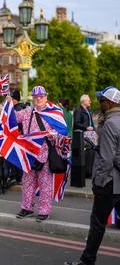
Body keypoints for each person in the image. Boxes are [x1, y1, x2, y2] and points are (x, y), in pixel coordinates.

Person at [65, 86, 120, 265]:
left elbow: (107, 159)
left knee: (97, 223)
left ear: (110, 103)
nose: (99, 103)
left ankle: (87, 261)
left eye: (101, 100)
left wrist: (98, 183)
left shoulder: (111, 123)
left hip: (110, 181)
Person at [10, 85, 68, 221]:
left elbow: (63, 132)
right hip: (28, 154)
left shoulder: (55, 112)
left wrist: (51, 135)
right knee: (27, 182)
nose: (38, 99)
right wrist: (7, 103)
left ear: (46, 97)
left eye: (41, 96)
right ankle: (26, 207)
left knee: (45, 183)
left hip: (45, 154)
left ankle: (44, 210)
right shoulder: (27, 112)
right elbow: (11, 118)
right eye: (36, 97)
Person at [73, 94, 96, 178]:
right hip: (83, 134)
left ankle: (90, 171)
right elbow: (76, 123)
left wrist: (94, 130)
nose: (90, 101)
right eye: (89, 100)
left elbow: (91, 122)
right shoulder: (78, 110)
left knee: (92, 151)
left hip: (90, 134)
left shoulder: (88, 110)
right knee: (87, 153)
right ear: (84, 101)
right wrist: (86, 127)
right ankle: (87, 172)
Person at [7, 89, 25, 187]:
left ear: (15, 99)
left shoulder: (16, 109)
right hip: (19, 137)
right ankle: (17, 177)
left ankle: (15, 177)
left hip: (16, 136)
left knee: (15, 158)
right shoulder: (21, 108)